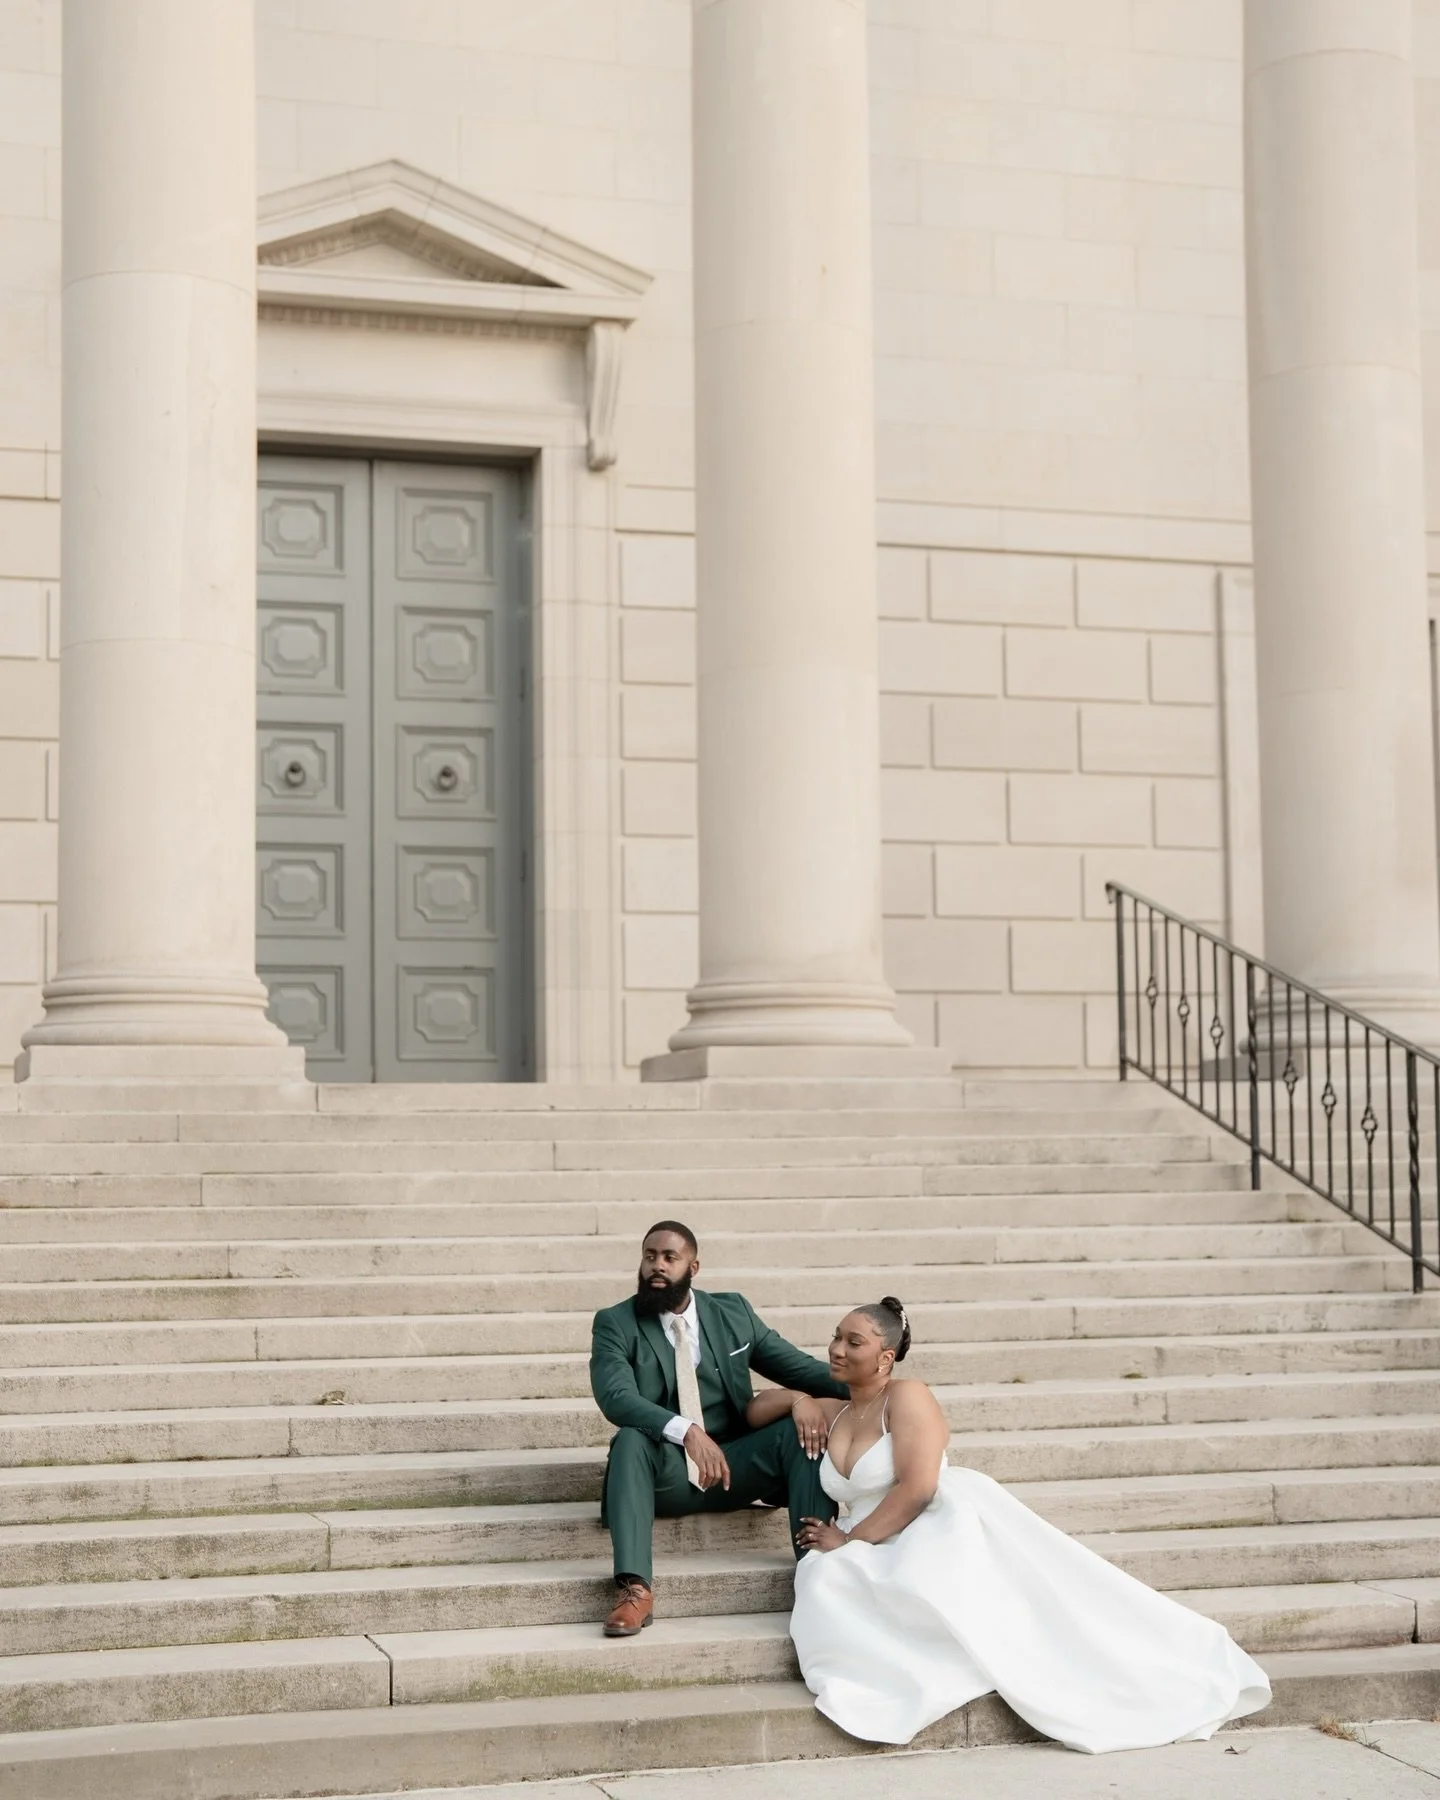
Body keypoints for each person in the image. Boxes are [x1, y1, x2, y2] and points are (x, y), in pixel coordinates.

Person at [762, 1297, 1271, 1754]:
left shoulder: (908, 1395)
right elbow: (753, 1406)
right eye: (834, 1336)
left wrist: (849, 1539)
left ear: (886, 1356)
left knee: (887, 1576)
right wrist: (798, 1400)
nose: (835, 1348)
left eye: (853, 1341)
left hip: (931, 1519)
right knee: (826, 1577)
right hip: (879, 1532)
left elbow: (917, 1489)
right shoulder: (837, 1410)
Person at [588, 1220, 848, 1638]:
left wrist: (879, 1389)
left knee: (802, 1432)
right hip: (665, 1469)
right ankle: (635, 1589)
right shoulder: (616, 1323)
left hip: (736, 1466)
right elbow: (615, 1396)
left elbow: (798, 1367)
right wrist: (688, 1432)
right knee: (631, 1438)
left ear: (693, 1266)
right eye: (650, 1256)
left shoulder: (732, 1313)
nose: (657, 1266)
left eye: (670, 1258)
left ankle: (821, 1572)